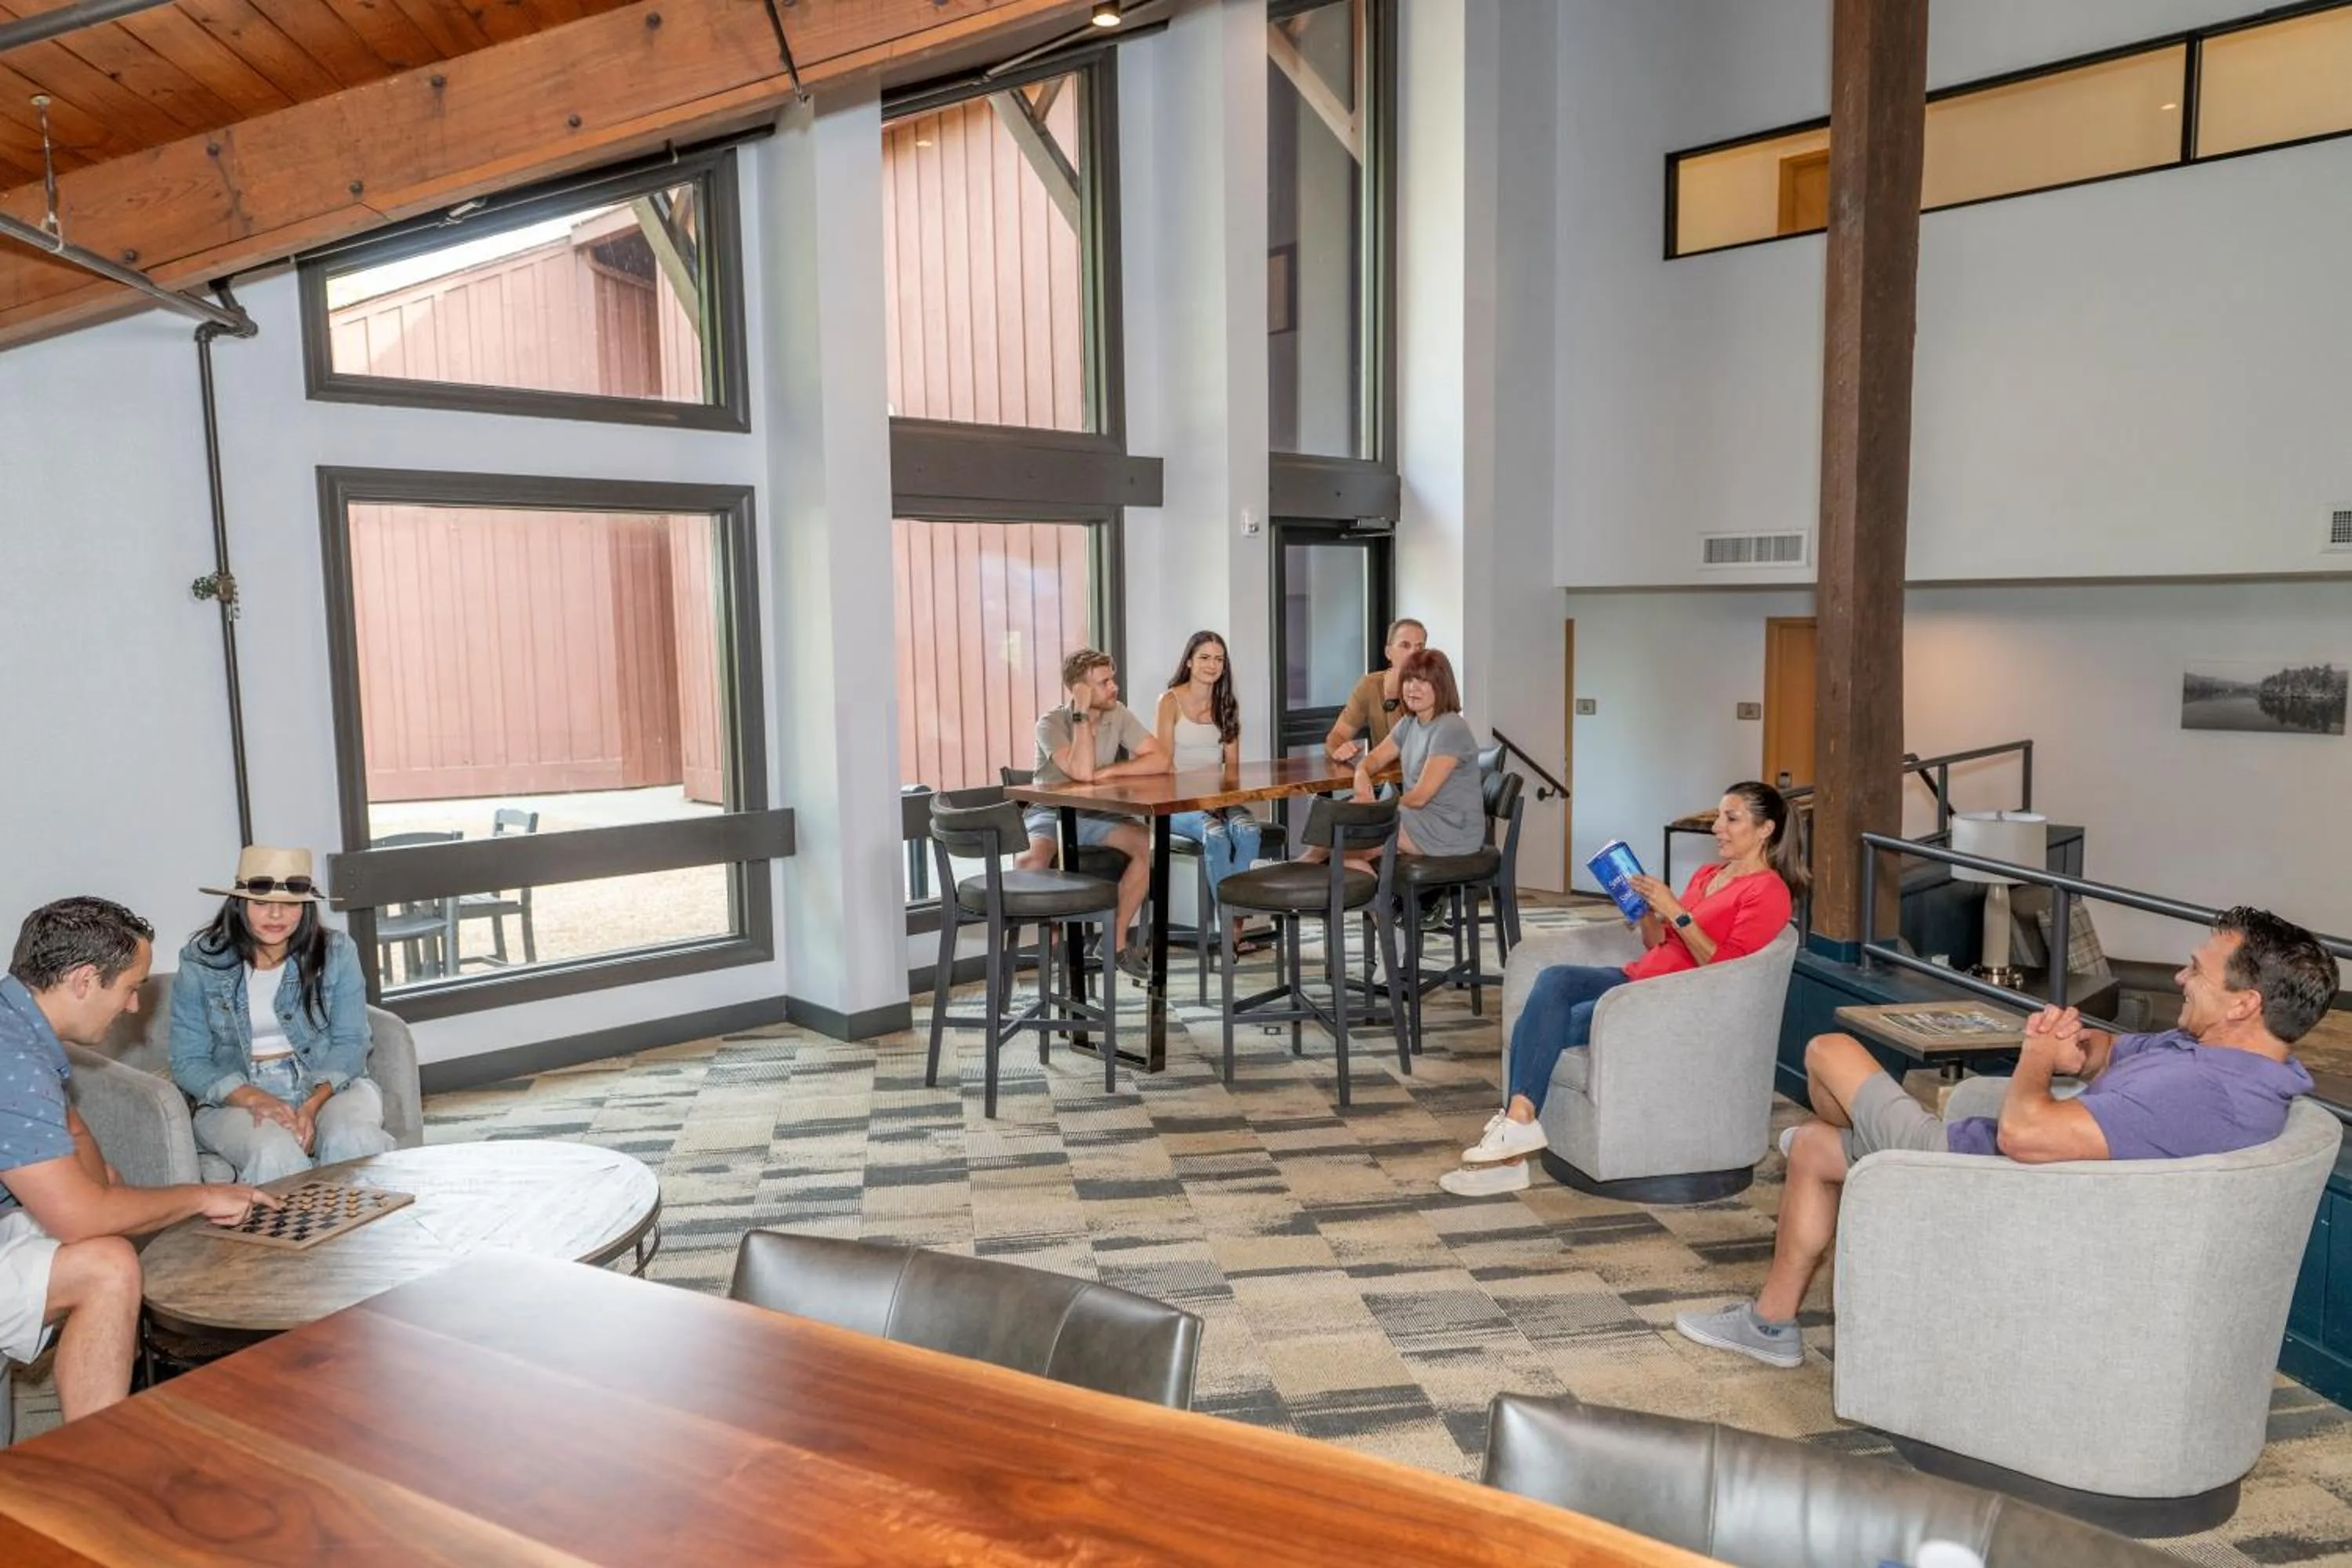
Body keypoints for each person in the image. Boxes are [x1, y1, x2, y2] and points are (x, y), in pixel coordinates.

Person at [1675, 906, 2332, 1370]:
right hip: (2006, 1167)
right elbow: (2112, 1052)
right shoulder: (2216, 1056)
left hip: (1989, 1179)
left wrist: (2037, 1057)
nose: (2180, 978)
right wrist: (2077, 1046)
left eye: (2196, 970)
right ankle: (1771, 1324)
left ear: (2245, 1004)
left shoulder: (2202, 1093)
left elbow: (2023, 1133)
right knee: (1819, 1146)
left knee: (1829, 1049)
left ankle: (1864, 1136)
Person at [1442, 781, 1805, 1197]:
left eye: (1731, 818)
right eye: (1720, 816)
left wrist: (1677, 911)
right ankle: (1518, 1128)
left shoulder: (1769, 891)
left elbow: (1726, 970)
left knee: (1545, 1022)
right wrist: (1646, 912)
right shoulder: (1709, 875)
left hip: (1666, 1000)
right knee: (1554, 982)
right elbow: (1660, 943)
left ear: (1765, 830)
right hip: (1638, 978)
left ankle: (1511, 1150)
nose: (1717, 827)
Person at [1, 897, 276, 1422]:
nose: (131, 1006)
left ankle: (113, 1415)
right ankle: (102, 1463)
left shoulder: (17, 1026)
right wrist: (203, 1195)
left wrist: (109, 1197)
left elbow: (81, 1144)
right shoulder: (11, 1062)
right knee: (109, 1266)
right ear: (84, 980)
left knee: (110, 1238)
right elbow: (81, 1216)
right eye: (130, 988)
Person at [170, 846, 397, 1185]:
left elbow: (351, 1041)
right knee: (274, 1150)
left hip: (328, 1082)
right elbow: (188, 1061)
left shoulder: (337, 952)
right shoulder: (201, 962)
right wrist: (254, 1098)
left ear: (305, 907)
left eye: (289, 904)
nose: (275, 915)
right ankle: (299, 1238)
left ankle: (369, 1235)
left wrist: (311, 1105)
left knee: (352, 1139)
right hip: (236, 1094)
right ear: (240, 904)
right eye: (261, 903)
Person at [1014, 649, 1169, 980]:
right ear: (1079, 691)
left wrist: (1111, 772)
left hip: (1099, 814)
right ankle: (1056, 950)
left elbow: (1160, 760)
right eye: (1105, 683)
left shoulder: (1119, 714)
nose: (1114, 688)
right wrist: (1082, 715)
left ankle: (1113, 943)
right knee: (1032, 861)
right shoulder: (1051, 723)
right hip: (1050, 812)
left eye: (1112, 679)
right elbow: (1082, 771)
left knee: (1145, 843)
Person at [1156, 632, 1264, 946]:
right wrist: (1200, 802)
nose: (1212, 665)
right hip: (1176, 801)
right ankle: (1230, 928)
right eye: (1205, 657)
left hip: (1218, 798)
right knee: (1215, 835)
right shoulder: (1169, 701)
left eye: (1219, 659)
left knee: (1247, 831)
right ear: (1189, 661)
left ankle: (1235, 926)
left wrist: (1218, 799)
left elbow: (1232, 768)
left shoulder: (1227, 704)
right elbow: (1164, 764)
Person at [1338, 647, 1485, 871]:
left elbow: (1419, 798)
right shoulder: (1409, 723)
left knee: (1347, 838)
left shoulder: (1450, 727)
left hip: (1449, 831)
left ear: (1441, 686)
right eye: (1408, 680)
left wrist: (1375, 809)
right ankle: (1380, 903)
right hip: (1419, 819)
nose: (1412, 688)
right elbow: (1373, 761)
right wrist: (1361, 775)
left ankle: (1307, 868)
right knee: (1344, 828)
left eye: (1423, 682)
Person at [1324, 618, 1427, 764]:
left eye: (1419, 647)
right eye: (1405, 645)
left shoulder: (1433, 687)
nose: (1413, 653)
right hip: (1388, 779)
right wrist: (1339, 749)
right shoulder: (1369, 685)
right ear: (1388, 652)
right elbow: (1338, 735)